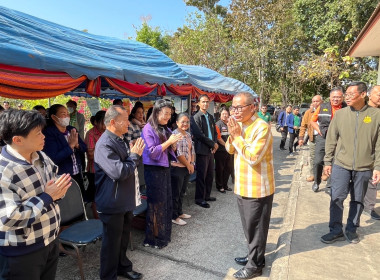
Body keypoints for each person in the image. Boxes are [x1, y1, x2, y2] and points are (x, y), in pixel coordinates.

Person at [0, 109, 72, 280]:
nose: (43, 136)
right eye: (38, 133)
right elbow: (8, 218)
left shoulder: (40, 156)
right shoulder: (5, 171)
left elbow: (53, 180)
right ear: (17, 140)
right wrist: (47, 197)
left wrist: (59, 190)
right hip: (22, 251)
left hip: (49, 240)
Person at [320, 81, 380, 244]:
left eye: (351, 94)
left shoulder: (376, 115)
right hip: (341, 165)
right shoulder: (340, 115)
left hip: (365, 166)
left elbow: (379, 144)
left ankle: (352, 229)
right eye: (346, 94)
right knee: (337, 197)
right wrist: (327, 162)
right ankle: (335, 229)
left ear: (363, 94)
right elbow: (331, 139)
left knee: (358, 199)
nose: (347, 97)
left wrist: (377, 167)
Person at [225, 92, 275, 279]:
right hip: (242, 185)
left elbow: (253, 158)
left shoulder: (261, 126)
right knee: (249, 227)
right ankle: (253, 256)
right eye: (233, 107)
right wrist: (233, 135)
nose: (235, 111)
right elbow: (229, 149)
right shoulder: (239, 125)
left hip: (258, 188)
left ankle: (255, 266)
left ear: (252, 107)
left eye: (239, 107)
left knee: (256, 228)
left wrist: (237, 137)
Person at [94, 105, 145, 280]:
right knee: (111, 243)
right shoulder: (104, 144)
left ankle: (123, 266)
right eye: (125, 121)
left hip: (124, 198)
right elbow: (119, 172)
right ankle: (108, 276)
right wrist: (135, 156)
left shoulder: (119, 138)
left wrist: (132, 154)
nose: (128, 125)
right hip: (112, 201)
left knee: (123, 237)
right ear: (113, 122)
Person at [142, 99, 182, 248]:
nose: (168, 117)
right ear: (157, 112)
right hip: (153, 170)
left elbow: (170, 149)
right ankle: (152, 237)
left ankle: (162, 235)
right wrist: (168, 142)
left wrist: (174, 145)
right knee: (155, 204)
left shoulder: (165, 128)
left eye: (169, 114)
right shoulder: (148, 128)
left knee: (165, 202)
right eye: (165, 114)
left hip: (164, 168)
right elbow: (152, 152)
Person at [43, 104, 87, 198]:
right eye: (63, 114)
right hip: (62, 177)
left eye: (67, 113)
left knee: (79, 199)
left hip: (77, 173)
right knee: (69, 204)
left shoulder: (71, 130)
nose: (67, 116)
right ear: (54, 117)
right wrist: (70, 146)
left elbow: (84, 148)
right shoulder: (49, 133)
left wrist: (77, 145)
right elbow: (53, 159)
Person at [310, 87, 345, 193]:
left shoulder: (347, 108)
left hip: (339, 139)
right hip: (323, 138)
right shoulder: (322, 107)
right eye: (334, 97)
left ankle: (329, 185)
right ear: (329, 97)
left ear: (342, 98)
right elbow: (312, 121)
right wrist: (319, 130)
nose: (336, 99)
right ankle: (317, 181)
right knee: (318, 161)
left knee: (334, 162)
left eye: (338, 97)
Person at [191, 95, 218, 208]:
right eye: (203, 102)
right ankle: (199, 198)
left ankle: (207, 195)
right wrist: (213, 144)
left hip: (211, 150)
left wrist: (214, 143)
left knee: (210, 174)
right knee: (202, 175)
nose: (205, 104)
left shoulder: (210, 116)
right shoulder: (196, 117)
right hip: (202, 150)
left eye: (207, 102)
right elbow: (199, 135)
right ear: (199, 103)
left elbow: (215, 132)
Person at [171, 113, 195, 226]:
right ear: (177, 123)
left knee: (182, 192)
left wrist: (192, 164)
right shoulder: (174, 135)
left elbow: (192, 150)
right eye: (182, 122)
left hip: (187, 167)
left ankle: (179, 212)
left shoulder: (188, 135)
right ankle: (174, 216)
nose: (185, 124)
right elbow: (178, 154)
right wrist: (188, 165)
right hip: (177, 168)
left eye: (187, 122)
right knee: (176, 193)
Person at [363, 85, 380, 220]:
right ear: (370, 95)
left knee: (373, 180)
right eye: (378, 94)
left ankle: (368, 206)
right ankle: (368, 207)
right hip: (366, 151)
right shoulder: (364, 111)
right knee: (371, 180)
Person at [84, 110, 106, 215]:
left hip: (106, 169)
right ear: (96, 122)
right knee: (95, 197)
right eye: (102, 122)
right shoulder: (90, 134)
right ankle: (97, 220)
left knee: (104, 194)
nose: (105, 125)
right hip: (94, 170)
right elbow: (91, 155)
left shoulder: (107, 133)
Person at [299, 95, 323, 182]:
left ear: (322, 102)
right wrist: (301, 138)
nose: (315, 103)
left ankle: (323, 173)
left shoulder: (325, 111)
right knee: (313, 156)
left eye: (317, 101)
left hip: (324, 138)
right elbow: (303, 125)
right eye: (313, 101)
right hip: (313, 137)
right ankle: (313, 174)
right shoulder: (308, 112)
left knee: (323, 156)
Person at [215, 107, 233, 193]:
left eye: (226, 114)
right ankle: (219, 186)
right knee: (220, 168)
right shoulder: (218, 124)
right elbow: (218, 138)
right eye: (223, 114)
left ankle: (225, 185)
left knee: (228, 168)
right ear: (220, 115)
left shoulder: (229, 124)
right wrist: (226, 145)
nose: (225, 115)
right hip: (221, 150)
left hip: (229, 150)